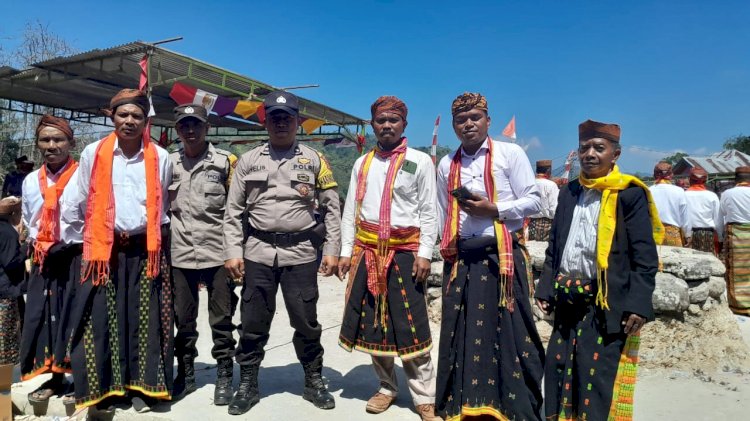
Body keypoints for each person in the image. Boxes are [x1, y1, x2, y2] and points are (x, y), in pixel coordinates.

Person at [535, 119, 662, 421]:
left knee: (596, 375)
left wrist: (638, 303)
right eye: (584, 148)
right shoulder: (570, 192)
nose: (590, 153)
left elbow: (644, 255)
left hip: (606, 301)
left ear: (615, 155)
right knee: (559, 366)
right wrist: (545, 287)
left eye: (599, 148)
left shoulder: (629, 194)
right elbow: (556, 244)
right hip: (567, 298)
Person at [223, 90, 341, 416]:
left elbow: (332, 209)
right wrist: (232, 251)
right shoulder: (248, 160)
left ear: (297, 122)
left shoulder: (315, 159)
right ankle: (247, 382)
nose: (280, 123)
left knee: (306, 321)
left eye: (286, 118)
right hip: (257, 252)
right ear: (265, 121)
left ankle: (313, 379)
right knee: (252, 322)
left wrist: (332, 249)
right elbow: (232, 211)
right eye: (274, 117)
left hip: (301, 254)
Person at [436, 92, 544, 421]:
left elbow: (535, 200)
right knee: (464, 331)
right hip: (464, 258)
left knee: (512, 333)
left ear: (488, 121)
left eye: (475, 118)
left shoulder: (510, 154)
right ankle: (466, 405)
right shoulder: (446, 163)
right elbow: (444, 213)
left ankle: (514, 407)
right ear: (454, 126)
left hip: (503, 255)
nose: (468, 124)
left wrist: (495, 209)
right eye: (461, 120)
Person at [67, 89, 173, 411]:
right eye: (123, 115)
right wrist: (82, 243)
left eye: (136, 116)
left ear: (145, 121)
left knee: (145, 320)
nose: (129, 121)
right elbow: (78, 198)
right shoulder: (93, 153)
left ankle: (143, 388)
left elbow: (161, 204)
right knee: (103, 320)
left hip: (144, 249)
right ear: (111, 116)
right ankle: (108, 388)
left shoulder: (160, 156)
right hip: (104, 251)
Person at [338, 96, 440, 421]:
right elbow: (350, 212)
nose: (386, 125)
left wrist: (425, 253)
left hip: (406, 254)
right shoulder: (362, 163)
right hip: (367, 253)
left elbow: (429, 211)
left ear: (404, 125)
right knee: (374, 326)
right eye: (381, 120)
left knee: (413, 327)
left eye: (393, 120)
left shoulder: (420, 161)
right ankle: (386, 388)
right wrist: (345, 252)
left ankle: (424, 397)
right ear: (372, 125)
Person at [168, 104, 239, 403]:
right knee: (182, 320)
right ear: (177, 130)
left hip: (218, 253)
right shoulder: (167, 164)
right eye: (184, 125)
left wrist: (237, 252)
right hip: (179, 253)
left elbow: (237, 210)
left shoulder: (226, 162)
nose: (190, 130)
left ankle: (224, 373)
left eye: (196, 124)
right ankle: (186, 374)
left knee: (221, 319)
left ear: (207, 127)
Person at [19, 115, 81, 405]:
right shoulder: (31, 181)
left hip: (76, 256)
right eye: (45, 140)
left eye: (59, 139)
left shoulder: (85, 175)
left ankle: (80, 380)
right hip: (43, 257)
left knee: (76, 317)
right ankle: (55, 378)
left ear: (72, 143)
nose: (52, 145)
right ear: (38, 144)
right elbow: (30, 221)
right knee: (44, 318)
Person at [720, 166, 750, 316]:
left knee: (736, 271)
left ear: (735, 179)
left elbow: (722, 215)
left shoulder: (727, 194)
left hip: (736, 234)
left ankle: (739, 306)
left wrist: (719, 237)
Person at [0, 196, 24, 366]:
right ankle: (4, 384)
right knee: (5, 340)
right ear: (14, 213)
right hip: (5, 291)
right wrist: (26, 249)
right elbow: (11, 262)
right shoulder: (7, 232)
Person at [649, 161, 689, 246]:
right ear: (671, 175)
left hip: (652, 234)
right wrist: (687, 235)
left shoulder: (648, 190)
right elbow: (684, 217)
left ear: (654, 175)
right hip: (673, 235)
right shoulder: (679, 191)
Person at [684, 168, 721, 255]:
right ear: (705, 180)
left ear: (690, 180)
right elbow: (717, 219)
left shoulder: (683, 195)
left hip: (689, 235)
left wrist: (686, 235)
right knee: (710, 264)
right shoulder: (712, 196)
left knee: (689, 264)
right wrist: (720, 238)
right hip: (708, 235)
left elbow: (682, 218)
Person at [527, 159, 559, 242]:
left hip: (530, 224)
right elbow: (553, 209)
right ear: (548, 171)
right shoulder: (551, 185)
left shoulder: (529, 183)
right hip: (546, 225)